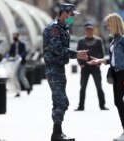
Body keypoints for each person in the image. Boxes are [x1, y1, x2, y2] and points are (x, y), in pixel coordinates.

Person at [43, 3, 88, 141]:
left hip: (60, 68)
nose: (72, 17)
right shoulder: (53, 28)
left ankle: (58, 133)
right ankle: (56, 133)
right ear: (64, 13)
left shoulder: (63, 28)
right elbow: (56, 48)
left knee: (58, 102)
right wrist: (76, 54)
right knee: (62, 101)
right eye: (71, 14)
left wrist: (79, 56)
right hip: (53, 68)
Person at [87, 13, 124, 141]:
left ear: (115, 24)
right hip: (116, 73)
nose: (107, 27)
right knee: (118, 102)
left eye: (108, 25)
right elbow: (114, 58)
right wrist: (100, 60)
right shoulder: (114, 39)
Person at [75, 22, 109, 111]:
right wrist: (81, 64)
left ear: (93, 30)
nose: (89, 31)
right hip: (85, 67)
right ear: (85, 30)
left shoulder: (98, 40)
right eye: (87, 29)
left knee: (99, 86)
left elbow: (102, 53)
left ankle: (102, 105)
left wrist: (98, 64)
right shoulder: (81, 41)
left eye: (90, 29)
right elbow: (77, 53)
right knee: (83, 87)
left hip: (95, 67)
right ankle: (81, 106)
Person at [9, 33, 31, 97]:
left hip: (22, 63)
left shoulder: (22, 44)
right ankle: (18, 91)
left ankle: (27, 87)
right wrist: (9, 56)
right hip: (15, 64)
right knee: (15, 77)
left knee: (21, 76)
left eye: (15, 36)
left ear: (18, 37)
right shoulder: (12, 45)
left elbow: (25, 52)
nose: (14, 37)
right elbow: (10, 53)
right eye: (13, 36)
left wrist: (21, 56)